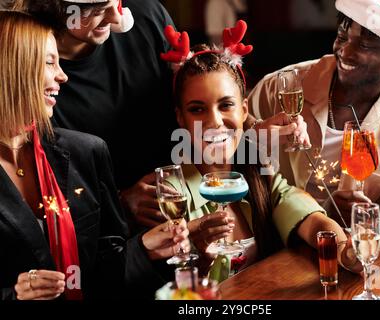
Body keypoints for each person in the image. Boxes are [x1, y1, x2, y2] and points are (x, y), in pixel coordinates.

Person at [14, 0, 306, 231]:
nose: (117, 18)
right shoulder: (34, 72)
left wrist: (251, 127)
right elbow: (45, 195)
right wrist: (121, 204)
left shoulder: (146, 17)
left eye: (115, 1)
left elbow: (201, 92)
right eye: (95, 9)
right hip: (117, 238)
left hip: (193, 195)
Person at [0, 11, 189, 300]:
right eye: (50, 62)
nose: (62, 76)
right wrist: (13, 296)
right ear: (11, 68)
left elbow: (105, 274)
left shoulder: (86, 152)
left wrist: (144, 248)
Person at [160, 21, 361, 281]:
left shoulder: (259, 173)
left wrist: (346, 250)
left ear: (244, 110)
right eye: (197, 109)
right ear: (180, 118)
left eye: (225, 105)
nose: (215, 122)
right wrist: (200, 256)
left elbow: (311, 220)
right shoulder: (170, 195)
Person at [248, 0, 380, 223]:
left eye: (364, 45)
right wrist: (252, 141)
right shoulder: (279, 88)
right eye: (342, 37)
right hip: (283, 247)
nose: (345, 51)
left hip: (369, 249)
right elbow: (215, 160)